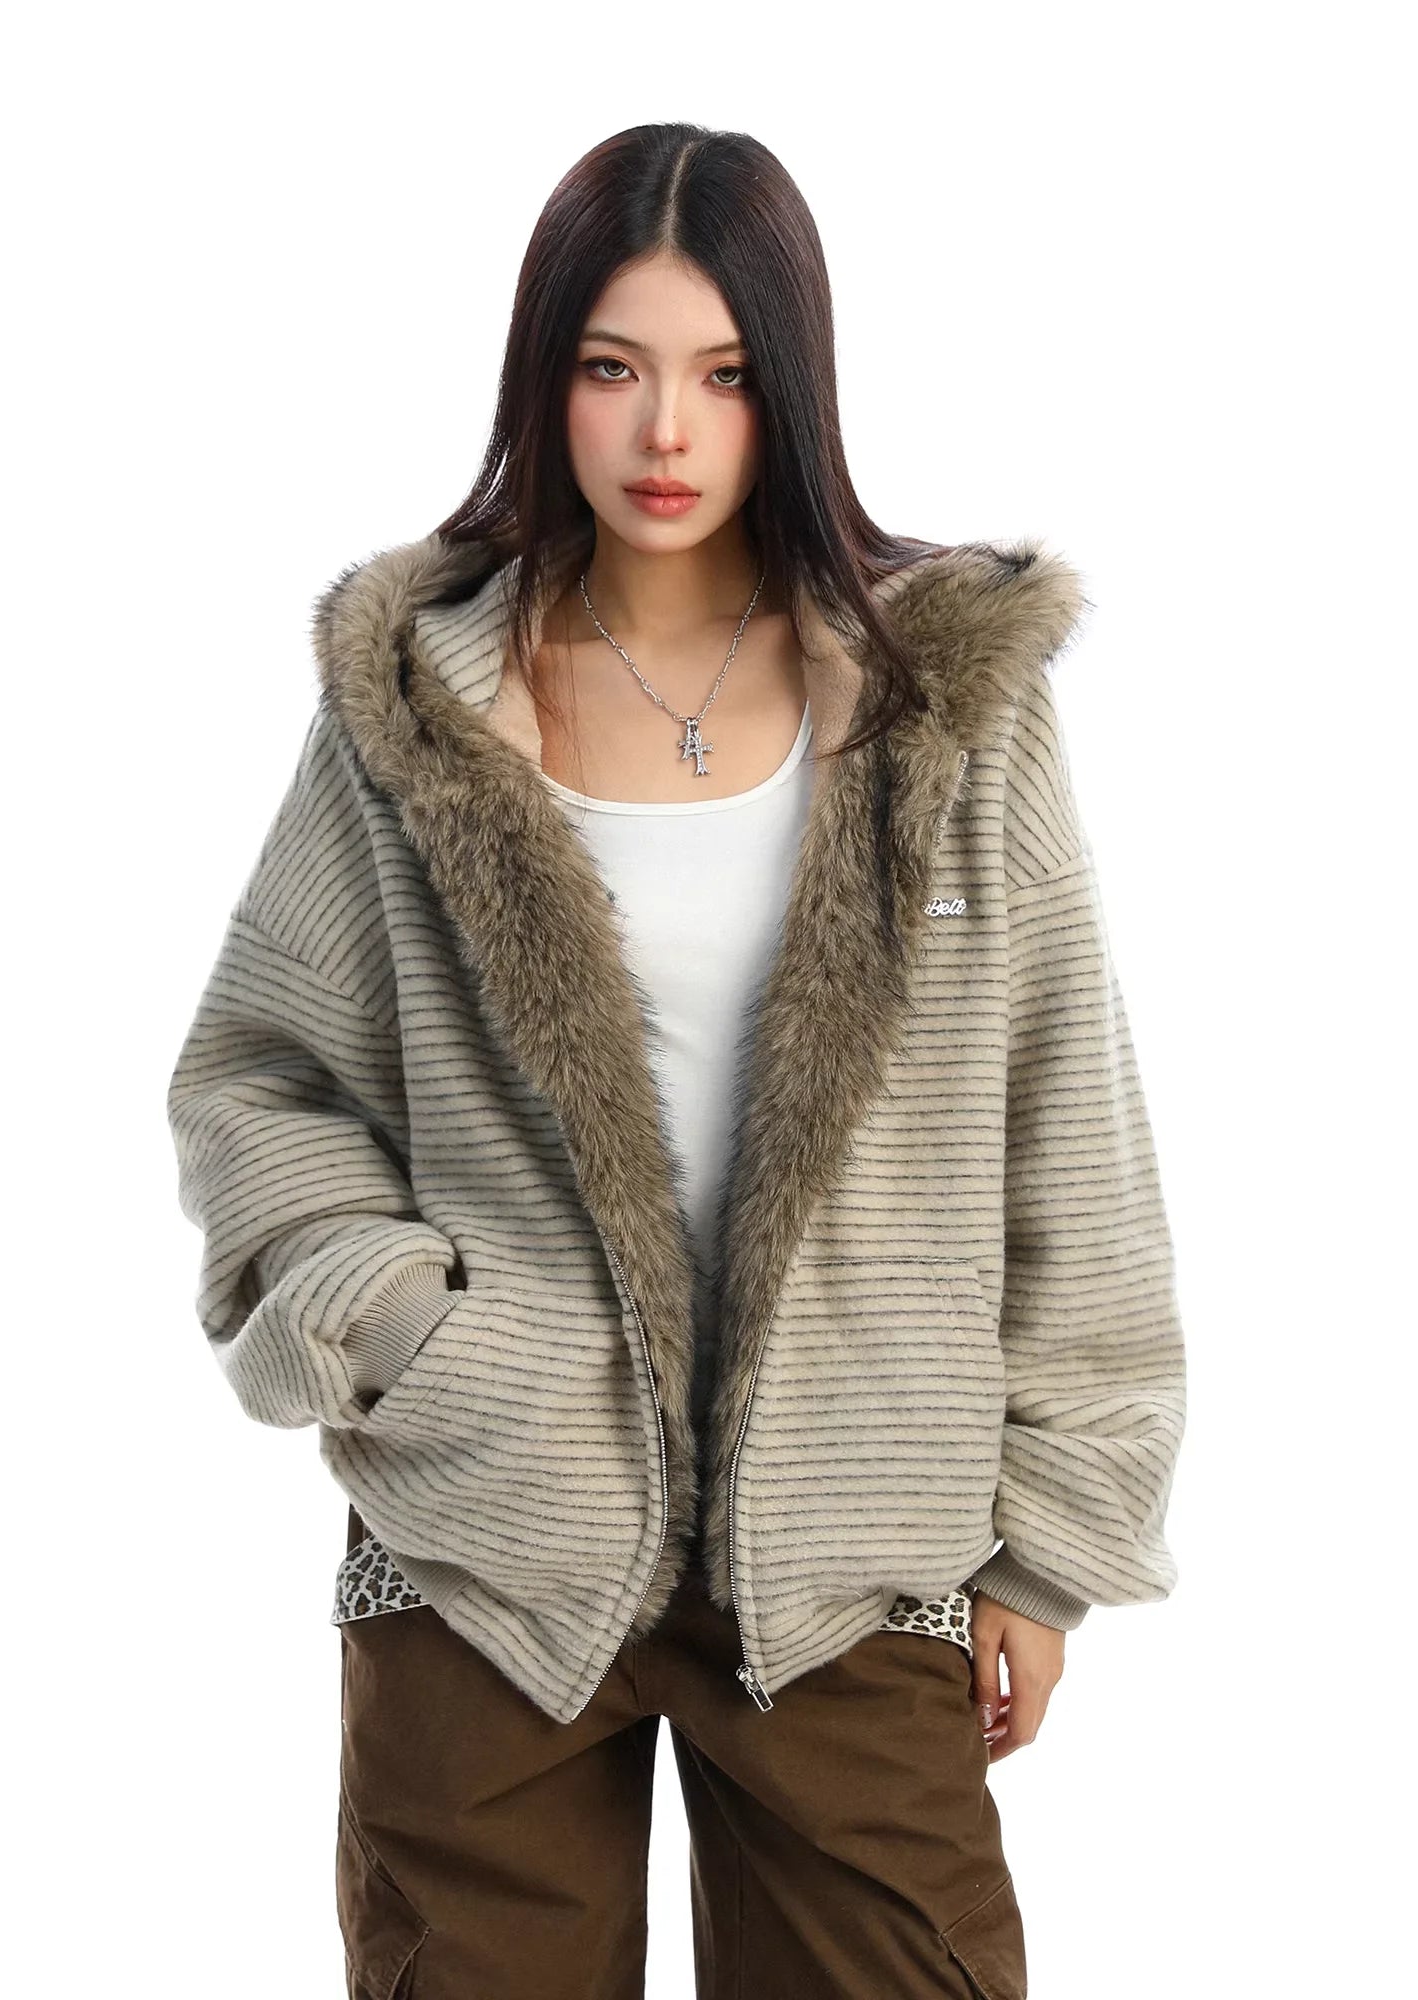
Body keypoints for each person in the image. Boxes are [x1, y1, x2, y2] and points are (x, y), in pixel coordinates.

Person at [166, 121, 1186, 2000]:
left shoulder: (949, 710)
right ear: (542, 377)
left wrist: (1048, 1549)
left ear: (790, 389)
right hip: (489, 1551)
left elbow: (1069, 1128)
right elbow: (261, 1077)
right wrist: (402, 1326)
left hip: (856, 1559)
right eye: (610, 366)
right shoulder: (419, 704)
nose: (664, 432)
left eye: (722, 376)